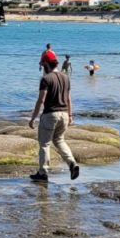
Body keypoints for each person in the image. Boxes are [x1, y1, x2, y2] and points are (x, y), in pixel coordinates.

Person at [29, 54, 79, 182]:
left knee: (45, 144)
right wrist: (70, 115)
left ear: (46, 63)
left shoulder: (46, 79)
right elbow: (68, 99)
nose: (41, 65)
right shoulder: (66, 78)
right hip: (64, 114)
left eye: (42, 63)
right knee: (59, 140)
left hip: (50, 115)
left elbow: (41, 100)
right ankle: (72, 163)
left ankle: (43, 172)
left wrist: (33, 118)